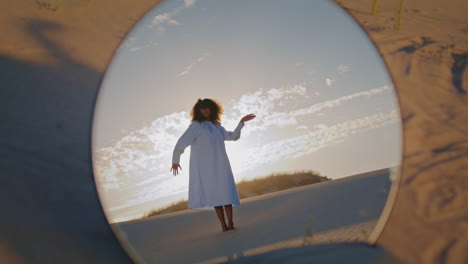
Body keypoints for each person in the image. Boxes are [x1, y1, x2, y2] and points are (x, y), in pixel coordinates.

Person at [170, 98, 256, 232]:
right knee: (215, 196)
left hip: (221, 164)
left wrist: (241, 123)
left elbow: (233, 137)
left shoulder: (217, 127)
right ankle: (223, 225)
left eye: (207, 107)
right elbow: (182, 142)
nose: (204, 110)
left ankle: (231, 223)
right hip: (206, 168)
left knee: (225, 192)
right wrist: (176, 160)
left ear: (212, 109)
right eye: (201, 108)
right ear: (198, 111)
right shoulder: (196, 126)